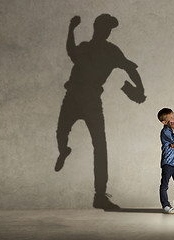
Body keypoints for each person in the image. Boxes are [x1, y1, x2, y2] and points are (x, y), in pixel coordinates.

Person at [55, 14, 146, 211]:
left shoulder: (111, 51)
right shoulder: (85, 48)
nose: (107, 32)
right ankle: (64, 150)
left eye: (109, 29)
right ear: (97, 27)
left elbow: (130, 68)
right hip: (72, 97)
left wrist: (140, 89)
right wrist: (71, 28)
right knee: (61, 134)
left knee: (100, 145)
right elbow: (71, 50)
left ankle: (99, 195)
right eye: (104, 27)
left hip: (91, 101)